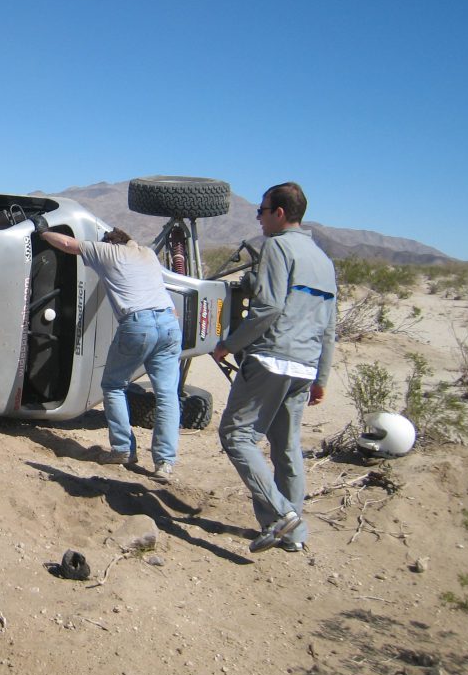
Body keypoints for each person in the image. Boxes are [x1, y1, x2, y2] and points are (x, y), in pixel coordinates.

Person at [211, 182, 336, 554]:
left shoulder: (278, 247)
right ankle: (293, 536)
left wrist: (227, 345)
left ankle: (282, 516)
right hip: (304, 365)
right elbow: (329, 326)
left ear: (279, 213)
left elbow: (268, 308)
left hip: (271, 357)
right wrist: (321, 378)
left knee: (236, 435)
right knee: (285, 446)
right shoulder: (323, 260)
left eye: (261, 211)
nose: (259, 218)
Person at [36, 221, 182, 481]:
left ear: (109, 243)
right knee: (168, 394)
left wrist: (43, 232)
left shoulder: (108, 251)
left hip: (139, 324)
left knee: (114, 385)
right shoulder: (147, 254)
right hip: (170, 324)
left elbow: (68, 244)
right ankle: (164, 464)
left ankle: (123, 449)